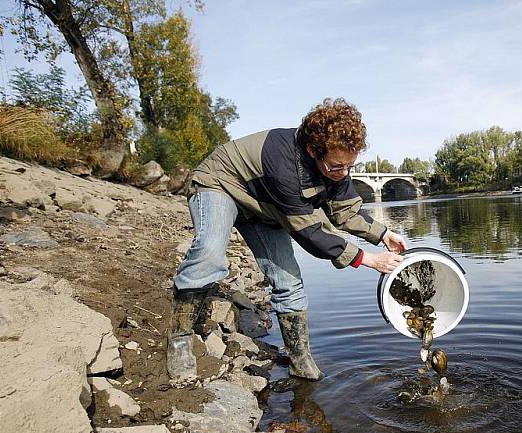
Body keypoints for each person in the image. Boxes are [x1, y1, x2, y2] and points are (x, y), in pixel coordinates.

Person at [168, 97, 407, 381]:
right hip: (219, 185)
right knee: (210, 253)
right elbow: (309, 231)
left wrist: (383, 234)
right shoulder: (282, 162)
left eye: (349, 166)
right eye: (336, 167)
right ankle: (179, 339)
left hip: (265, 207)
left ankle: (300, 361)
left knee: (288, 281)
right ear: (312, 149)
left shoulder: (336, 162)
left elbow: (344, 212)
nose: (343, 174)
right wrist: (368, 259)